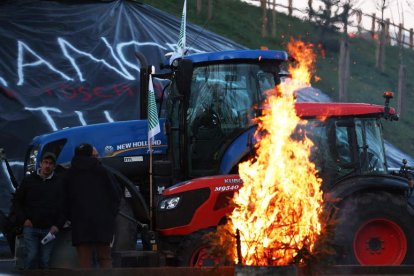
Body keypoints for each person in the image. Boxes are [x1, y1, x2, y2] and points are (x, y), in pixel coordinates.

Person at [62, 143, 121, 268]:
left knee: (84, 262)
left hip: (80, 223)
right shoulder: (103, 171)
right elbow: (116, 194)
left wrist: (72, 217)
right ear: (90, 155)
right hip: (102, 222)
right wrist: (110, 215)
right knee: (105, 258)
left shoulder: (69, 174)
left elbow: (63, 199)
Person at [14, 152, 65, 270]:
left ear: (54, 166)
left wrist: (57, 225)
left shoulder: (59, 182)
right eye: (45, 163)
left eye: (50, 164)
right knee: (31, 256)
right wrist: (24, 220)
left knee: (45, 260)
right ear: (40, 164)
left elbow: (64, 205)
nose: (47, 166)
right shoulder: (29, 181)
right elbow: (17, 201)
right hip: (31, 226)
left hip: (49, 229)